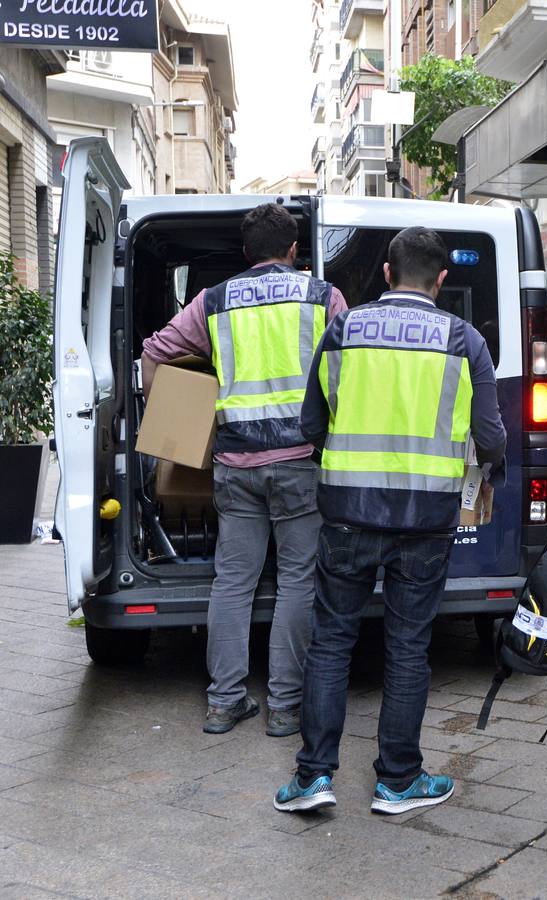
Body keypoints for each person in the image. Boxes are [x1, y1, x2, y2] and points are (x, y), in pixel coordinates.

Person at [273, 227, 505, 815]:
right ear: (442, 280)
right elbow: (491, 437)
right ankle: (398, 780)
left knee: (331, 643)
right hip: (425, 521)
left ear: (385, 272)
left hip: (347, 515)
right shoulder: (463, 340)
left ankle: (313, 778)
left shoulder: (344, 330)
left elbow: (309, 425)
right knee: (408, 648)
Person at [140, 202, 348, 738]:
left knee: (233, 581)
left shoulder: (214, 301)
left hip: (234, 465)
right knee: (300, 581)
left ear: (245, 252)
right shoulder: (322, 296)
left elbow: (155, 354)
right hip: (302, 463)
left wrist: (177, 420)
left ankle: (224, 702)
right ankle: (283, 707)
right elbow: (350, 374)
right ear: (294, 250)